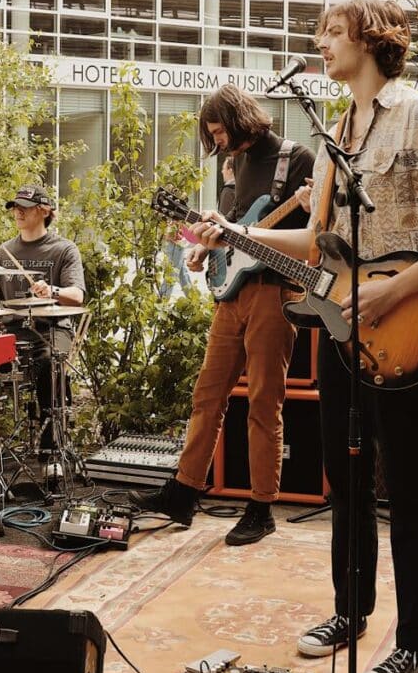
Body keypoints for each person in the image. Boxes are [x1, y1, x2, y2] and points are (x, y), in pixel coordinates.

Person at [192, 0, 418, 673]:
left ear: (373, 40)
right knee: (346, 474)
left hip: (407, 327)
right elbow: (313, 243)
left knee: (415, 489)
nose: (321, 43)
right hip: (341, 330)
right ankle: (350, 610)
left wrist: (393, 291)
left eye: (332, 32)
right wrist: (233, 234)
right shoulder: (339, 131)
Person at [132, 85, 315, 546]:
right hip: (231, 295)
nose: (216, 143)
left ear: (238, 119)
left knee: (263, 402)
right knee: (207, 395)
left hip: (275, 293)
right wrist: (204, 250)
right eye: (210, 135)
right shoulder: (233, 165)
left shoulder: (297, 159)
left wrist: (245, 231)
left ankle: (261, 506)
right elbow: (231, 233)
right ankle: (184, 492)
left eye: (219, 132)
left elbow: (314, 235)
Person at [0, 184, 86, 458]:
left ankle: (53, 443)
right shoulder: (3, 252)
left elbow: (77, 295)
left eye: (24, 206)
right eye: (14, 206)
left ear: (44, 210)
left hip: (51, 329)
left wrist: (53, 291)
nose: (17, 211)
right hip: (10, 331)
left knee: (50, 360)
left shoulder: (64, 250)